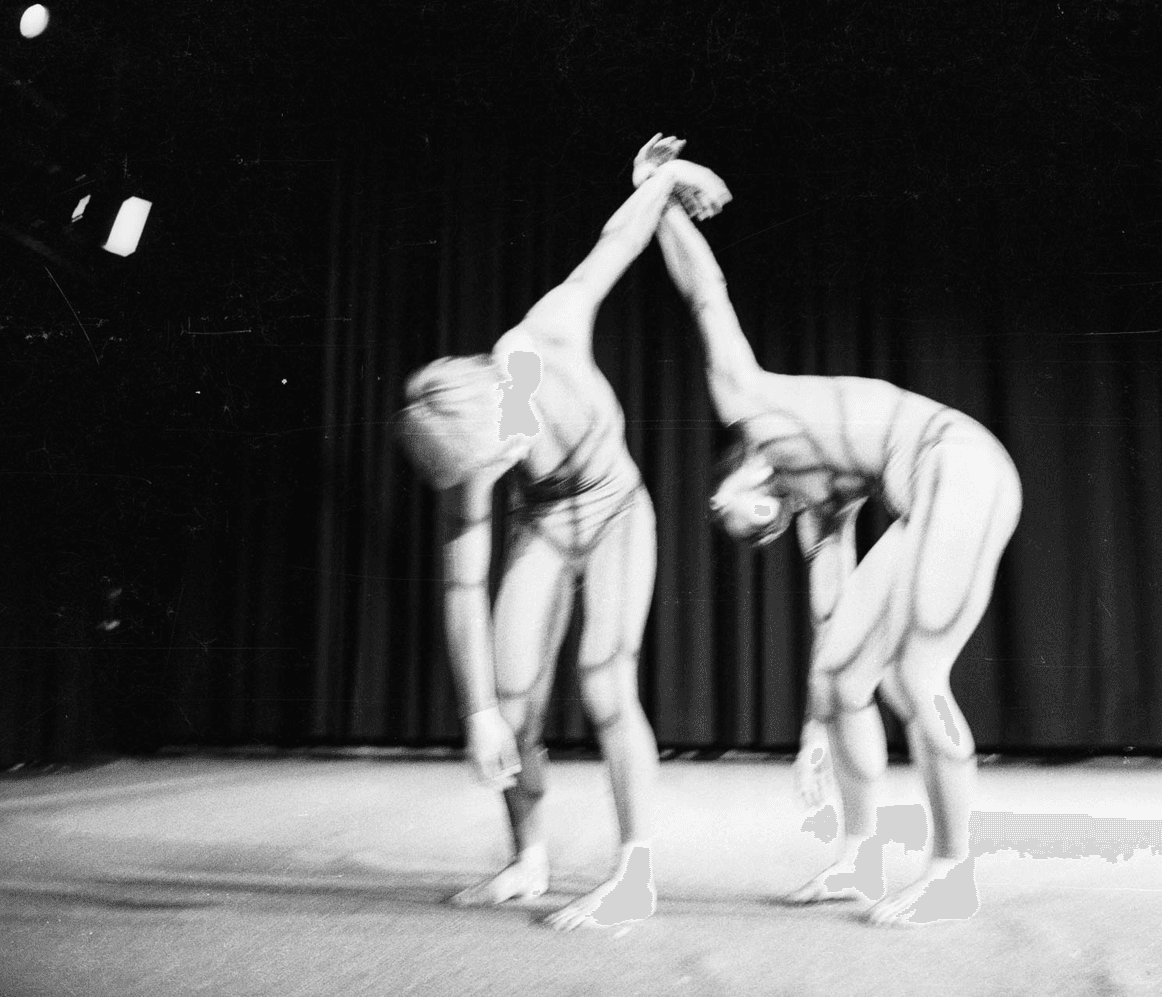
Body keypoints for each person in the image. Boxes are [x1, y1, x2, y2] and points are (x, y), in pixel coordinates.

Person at [633, 135, 1022, 926]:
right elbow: (830, 623)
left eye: (757, 522)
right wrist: (817, 726)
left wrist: (657, 194)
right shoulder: (824, 500)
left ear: (731, 486)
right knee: (848, 679)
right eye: (768, 533)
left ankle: (953, 868)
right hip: (936, 487)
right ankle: (859, 852)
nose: (770, 528)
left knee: (915, 679)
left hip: (960, 467)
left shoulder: (751, 401)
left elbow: (706, 294)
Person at [398, 151, 733, 931]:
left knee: (606, 682)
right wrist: (477, 711)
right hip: (547, 526)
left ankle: (635, 873)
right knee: (513, 705)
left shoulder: (544, 334)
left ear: (494, 386)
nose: (501, 464)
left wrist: (657, 178)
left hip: (617, 511)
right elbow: (461, 590)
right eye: (487, 466)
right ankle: (527, 859)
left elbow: (616, 243)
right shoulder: (469, 466)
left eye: (500, 450)